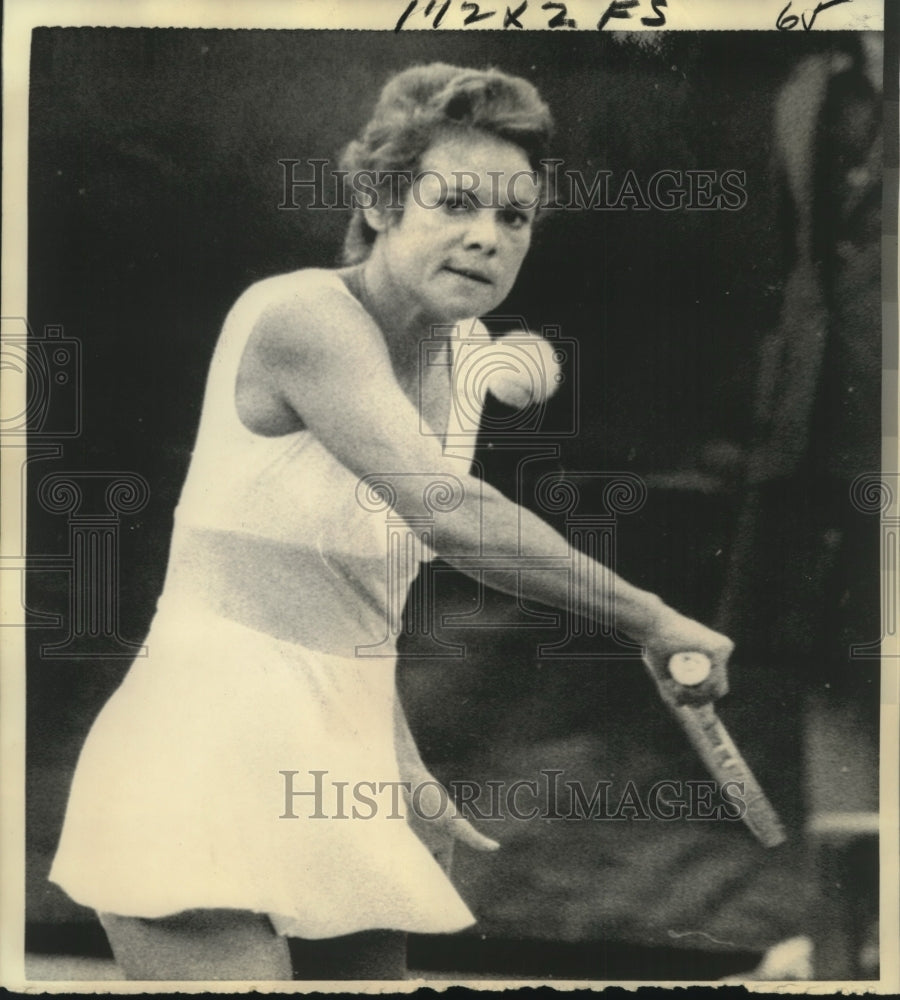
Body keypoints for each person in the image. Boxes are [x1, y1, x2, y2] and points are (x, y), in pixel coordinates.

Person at [49, 63, 733, 981]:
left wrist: (397, 767)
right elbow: (451, 518)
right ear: (379, 200)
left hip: (339, 773)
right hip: (191, 754)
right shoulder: (299, 316)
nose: (486, 237)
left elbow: (362, 594)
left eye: (514, 217)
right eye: (455, 202)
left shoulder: (465, 359)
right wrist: (651, 617)